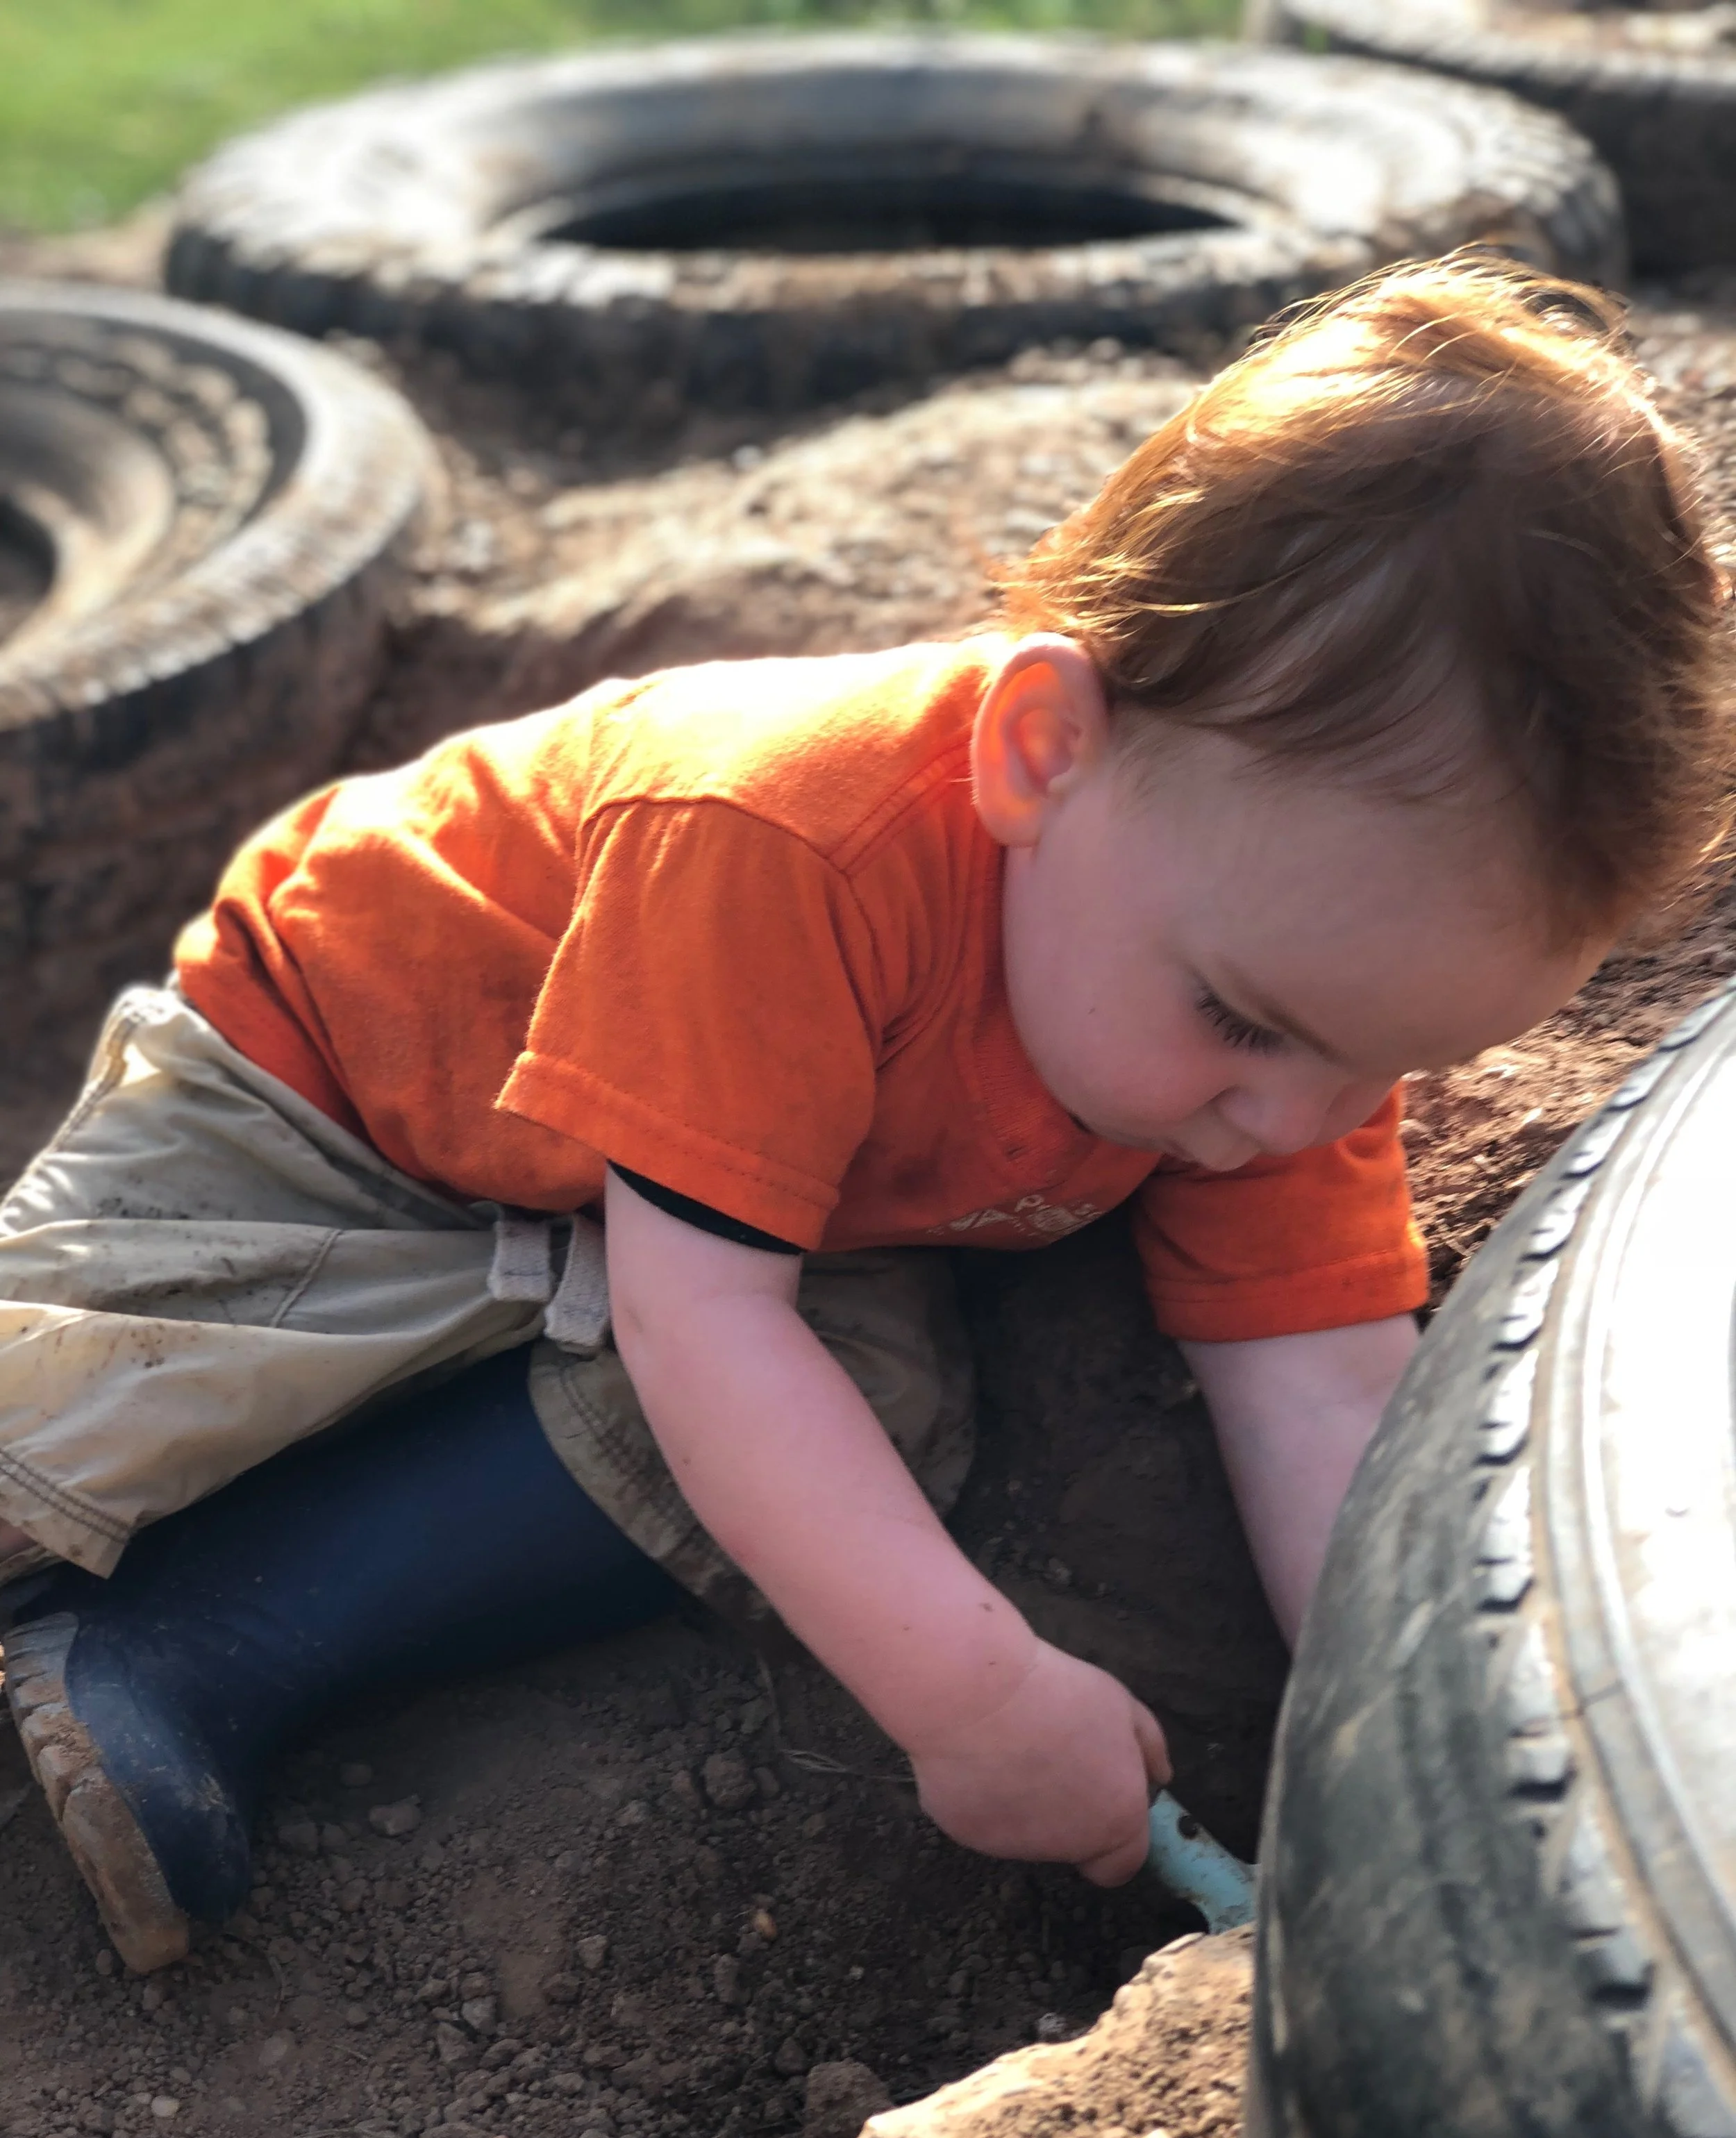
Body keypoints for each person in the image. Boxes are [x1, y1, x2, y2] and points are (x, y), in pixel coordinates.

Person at [0, 255, 1726, 1975]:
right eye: (1239, 1025)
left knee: (871, 1396)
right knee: (51, 1410)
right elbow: (702, 1320)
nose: (1297, 1123)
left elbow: (1322, 1390)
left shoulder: (1285, 1009)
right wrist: (967, 1691)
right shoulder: (782, 841)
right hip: (321, 1104)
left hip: (615, 1220)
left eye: (1381, 1066)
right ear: (1041, 752)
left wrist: (1434, 1767)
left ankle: (201, 1650)